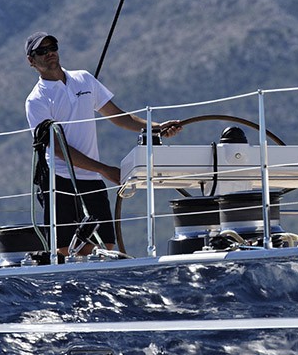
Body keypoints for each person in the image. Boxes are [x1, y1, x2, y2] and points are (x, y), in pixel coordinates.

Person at [24, 31, 183, 254]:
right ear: (31, 61)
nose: (49, 53)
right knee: (66, 250)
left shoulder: (84, 79)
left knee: (105, 245)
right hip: (59, 180)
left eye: (53, 47)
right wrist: (104, 169)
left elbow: (118, 116)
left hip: (91, 179)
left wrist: (156, 127)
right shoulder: (36, 100)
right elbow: (58, 148)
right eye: (42, 51)